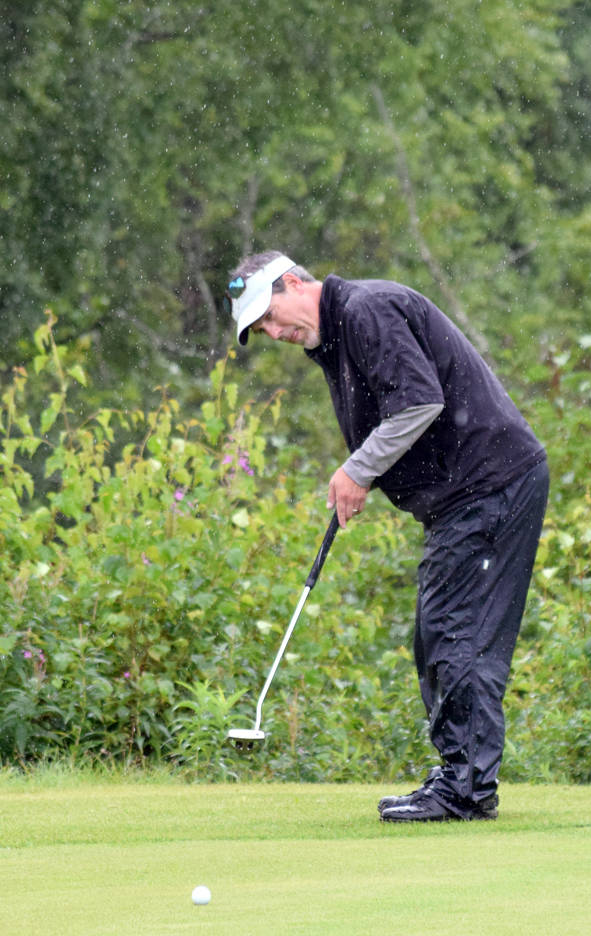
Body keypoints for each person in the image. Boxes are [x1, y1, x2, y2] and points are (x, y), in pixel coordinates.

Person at [227, 251, 549, 822]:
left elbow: (420, 400)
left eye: (271, 316)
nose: (275, 333)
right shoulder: (332, 340)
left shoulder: (367, 310)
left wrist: (359, 469)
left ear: (295, 283)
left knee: (456, 630)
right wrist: (367, 469)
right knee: (437, 631)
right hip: (467, 495)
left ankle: (468, 790)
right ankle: (459, 775)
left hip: (493, 484)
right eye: (262, 330)